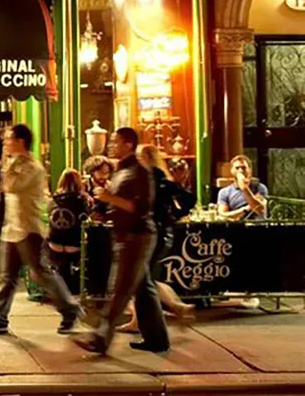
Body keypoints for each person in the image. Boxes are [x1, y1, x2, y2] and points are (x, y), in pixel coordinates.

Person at [0, 125, 82, 336]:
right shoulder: (15, 163)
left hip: (29, 228)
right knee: (8, 276)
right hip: (12, 228)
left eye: (8, 139)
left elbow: (12, 186)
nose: (5, 143)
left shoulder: (32, 167)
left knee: (40, 273)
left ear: (21, 141)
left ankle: (70, 309)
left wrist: (6, 167)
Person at [74, 127, 170, 354]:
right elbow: (120, 205)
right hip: (125, 236)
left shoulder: (140, 172)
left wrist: (110, 198)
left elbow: (140, 208)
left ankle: (100, 339)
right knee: (144, 290)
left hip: (136, 237)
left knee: (120, 290)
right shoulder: (122, 171)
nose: (110, 145)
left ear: (128, 144)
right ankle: (157, 339)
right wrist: (106, 210)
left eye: (115, 141)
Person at [117, 145, 196, 333]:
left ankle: (174, 306)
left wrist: (172, 214)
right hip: (161, 231)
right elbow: (187, 200)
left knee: (142, 279)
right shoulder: (161, 178)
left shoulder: (150, 178)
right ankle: (169, 309)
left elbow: (186, 199)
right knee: (144, 278)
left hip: (151, 232)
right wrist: (174, 215)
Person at [46, 169, 91, 296]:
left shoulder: (53, 201)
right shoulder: (83, 201)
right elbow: (88, 220)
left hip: (54, 245)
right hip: (75, 246)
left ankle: (58, 282)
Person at [217, 155, 268, 221]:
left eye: (244, 168)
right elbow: (223, 215)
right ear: (232, 170)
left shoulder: (260, 188)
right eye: (237, 168)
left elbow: (260, 210)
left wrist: (244, 188)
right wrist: (244, 209)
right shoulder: (224, 192)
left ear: (249, 170)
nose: (240, 170)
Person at [83, 155, 114, 219]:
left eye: (107, 173)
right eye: (101, 172)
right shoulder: (83, 186)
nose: (105, 176)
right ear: (92, 171)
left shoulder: (111, 186)